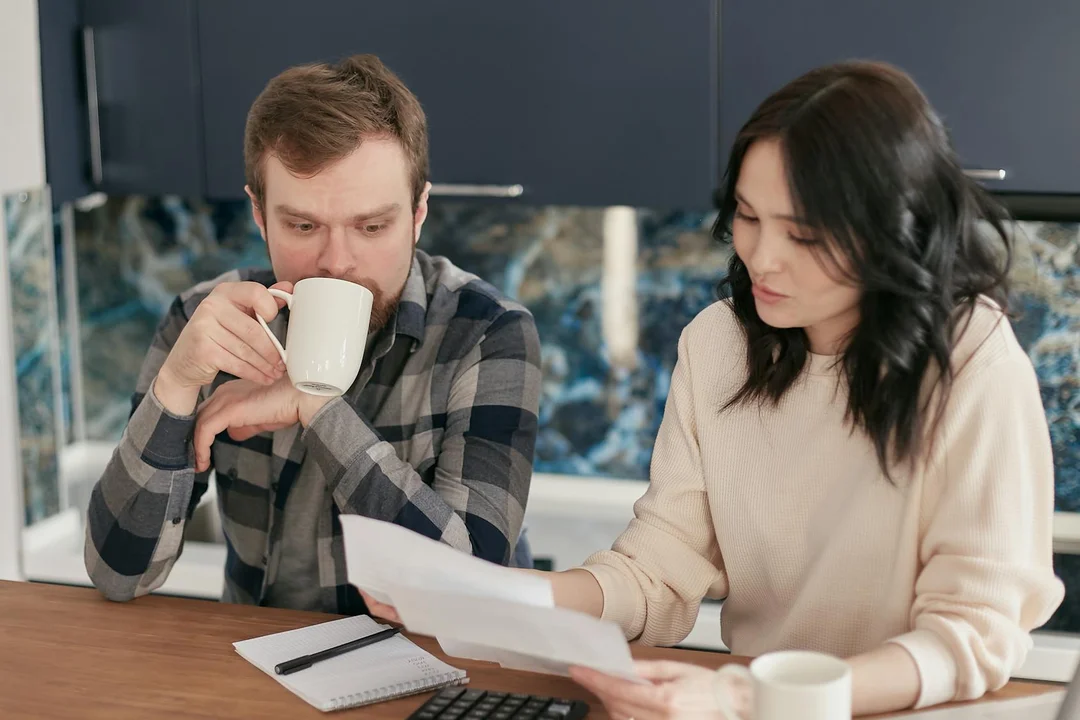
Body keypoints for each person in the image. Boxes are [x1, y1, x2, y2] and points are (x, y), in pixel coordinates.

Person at [365, 61, 1064, 718]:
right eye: (748, 217)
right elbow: (659, 570)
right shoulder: (719, 343)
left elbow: (972, 633)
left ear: (892, 229)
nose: (761, 256)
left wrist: (751, 696)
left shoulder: (973, 363)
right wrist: (494, 598)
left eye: (806, 235)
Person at [84, 54, 541, 614]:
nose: (337, 261)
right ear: (259, 214)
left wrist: (318, 409)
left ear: (419, 212)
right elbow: (117, 574)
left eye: (372, 226)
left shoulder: (489, 333)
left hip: (441, 676)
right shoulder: (209, 325)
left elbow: (475, 590)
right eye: (303, 226)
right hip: (264, 668)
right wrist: (175, 384)